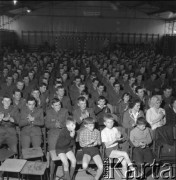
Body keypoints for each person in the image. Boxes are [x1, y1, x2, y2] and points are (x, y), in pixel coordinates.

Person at [101, 113, 135, 179]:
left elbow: (118, 140)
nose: (110, 124)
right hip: (109, 151)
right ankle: (131, 166)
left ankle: (124, 177)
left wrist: (119, 138)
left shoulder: (115, 129)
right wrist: (115, 139)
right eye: (108, 122)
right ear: (105, 123)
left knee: (124, 163)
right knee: (125, 153)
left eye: (112, 122)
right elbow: (107, 144)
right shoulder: (103, 132)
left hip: (116, 149)